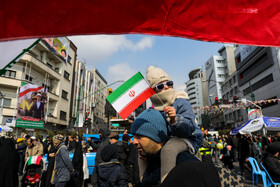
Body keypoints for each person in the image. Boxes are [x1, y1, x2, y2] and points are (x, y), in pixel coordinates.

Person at [146, 66, 203, 182]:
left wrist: (175, 119)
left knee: (169, 150)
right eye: (160, 86)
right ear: (153, 91)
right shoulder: (154, 110)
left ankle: (167, 182)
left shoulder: (180, 101)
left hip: (189, 137)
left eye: (169, 83)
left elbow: (189, 126)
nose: (166, 87)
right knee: (142, 155)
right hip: (169, 139)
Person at [131, 109, 200, 186]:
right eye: (134, 136)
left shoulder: (185, 164)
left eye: (139, 136)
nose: (134, 142)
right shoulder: (148, 162)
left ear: (155, 136)